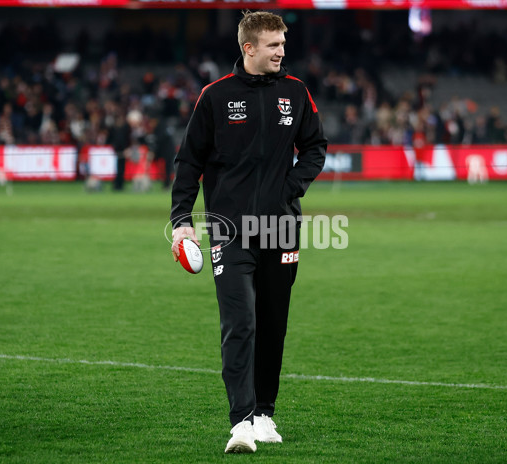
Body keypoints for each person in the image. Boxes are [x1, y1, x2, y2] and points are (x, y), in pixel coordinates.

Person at [169, 11, 327, 454]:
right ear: (249, 48)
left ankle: (264, 413)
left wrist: (290, 187)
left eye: (283, 43)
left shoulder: (295, 93)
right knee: (240, 322)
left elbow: (315, 146)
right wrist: (182, 220)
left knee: (273, 324)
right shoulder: (215, 97)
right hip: (230, 230)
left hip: (281, 228)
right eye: (273, 44)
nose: (282, 51)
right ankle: (240, 422)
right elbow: (188, 162)